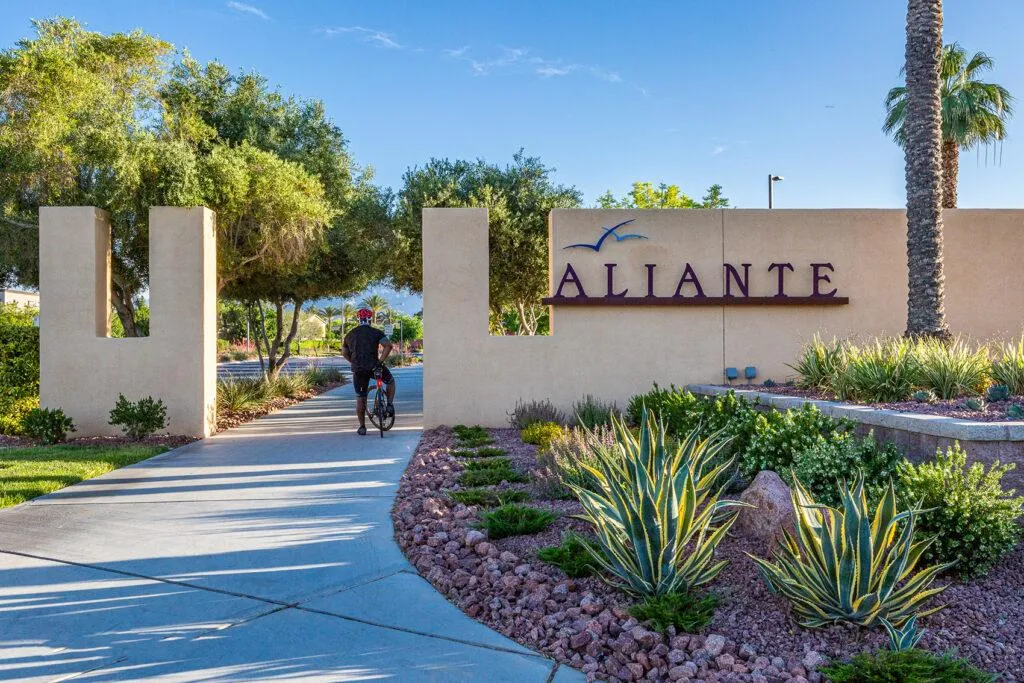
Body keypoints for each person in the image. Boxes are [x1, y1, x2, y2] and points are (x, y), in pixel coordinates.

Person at [342, 308, 395, 435]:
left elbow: (344, 353)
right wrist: (380, 361)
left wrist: (353, 362)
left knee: (360, 398)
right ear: (371, 319)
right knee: (390, 382)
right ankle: (389, 404)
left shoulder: (349, 334)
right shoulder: (375, 332)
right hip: (374, 366)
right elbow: (388, 345)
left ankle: (362, 427)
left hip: (358, 369)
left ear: (358, 319)